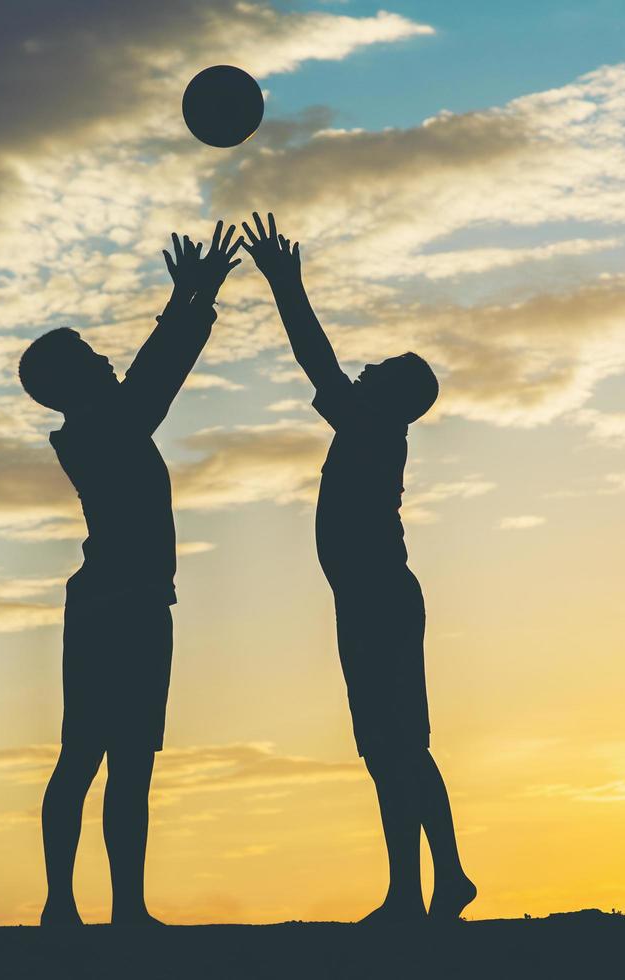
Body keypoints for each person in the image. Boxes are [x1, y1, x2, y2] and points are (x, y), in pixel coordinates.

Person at [242, 213, 476, 924]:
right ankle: (412, 888)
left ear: (389, 396)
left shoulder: (371, 426)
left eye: (376, 370)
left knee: (399, 744)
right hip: (368, 599)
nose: (362, 370)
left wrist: (286, 284)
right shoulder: (373, 425)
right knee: (385, 750)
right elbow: (325, 366)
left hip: (379, 600)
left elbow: (315, 358)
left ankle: (444, 878)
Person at [18, 222, 242, 927]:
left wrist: (189, 303)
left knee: (121, 760)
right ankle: (69, 904)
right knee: (91, 754)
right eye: (88, 354)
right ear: (67, 381)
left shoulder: (108, 421)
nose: (104, 356)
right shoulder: (98, 428)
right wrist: (189, 301)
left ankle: (119, 909)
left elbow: (151, 380)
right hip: (120, 607)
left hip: (131, 602)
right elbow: (155, 380)